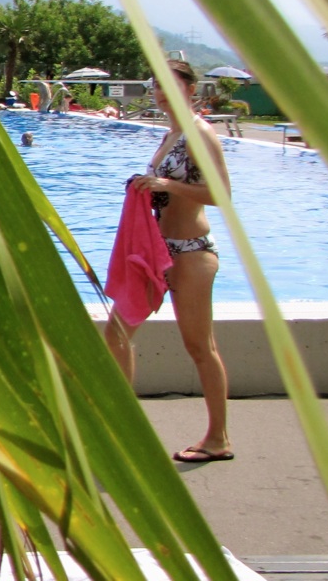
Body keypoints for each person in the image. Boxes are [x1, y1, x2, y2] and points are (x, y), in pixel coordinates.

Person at [104, 59, 233, 464]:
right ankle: (124, 430)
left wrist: (165, 184)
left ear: (191, 89)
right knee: (116, 332)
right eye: (157, 87)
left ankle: (218, 439)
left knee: (199, 346)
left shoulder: (199, 133)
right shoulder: (170, 134)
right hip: (158, 252)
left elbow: (221, 194)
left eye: (171, 86)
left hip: (191, 251)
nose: (161, 94)